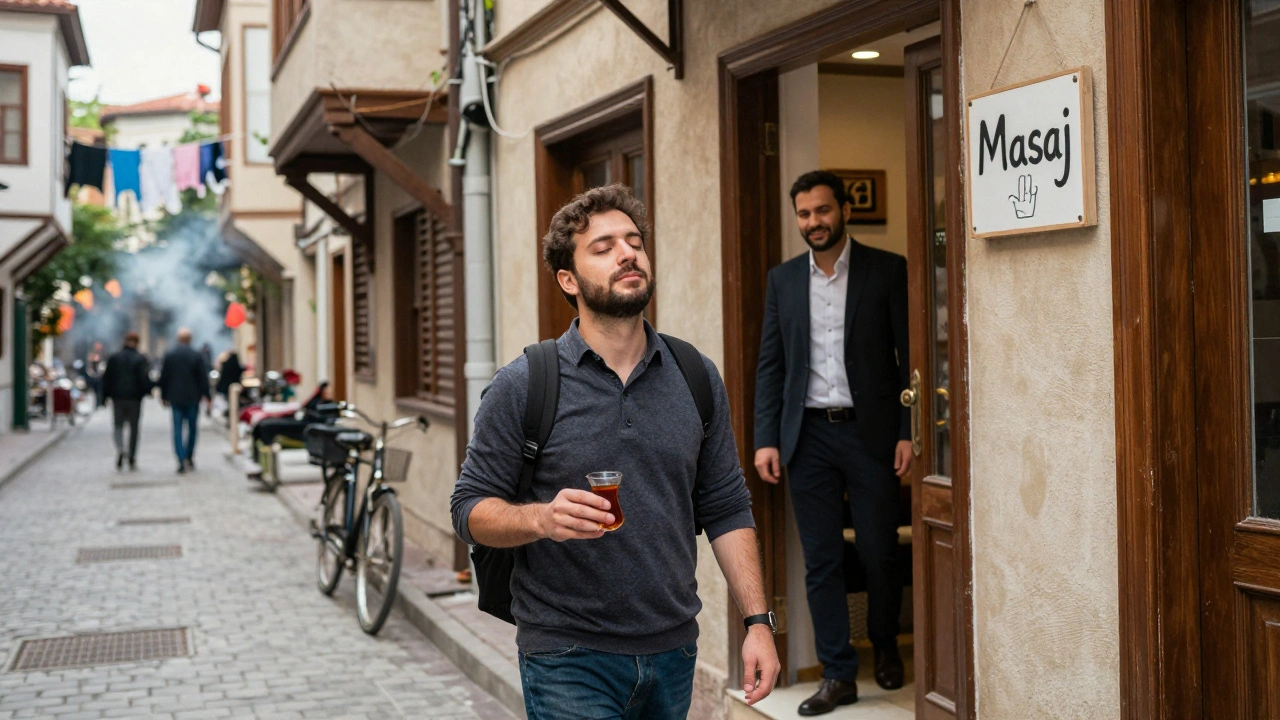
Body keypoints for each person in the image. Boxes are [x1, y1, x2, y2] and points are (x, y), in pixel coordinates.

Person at [451, 184, 781, 719]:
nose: (628, 253)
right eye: (603, 247)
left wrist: (758, 625)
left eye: (634, 242)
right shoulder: (525, 384)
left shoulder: (694, 375)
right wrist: (542, 518)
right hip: (566, 653)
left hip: (673, 651)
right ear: (568, 279)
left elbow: (725, 505)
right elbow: (468, 509)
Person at [753, 170, 912, 715]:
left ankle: (887, 643)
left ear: (843, 210)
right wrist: (765, 438)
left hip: (871, 435)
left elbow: (911, 360)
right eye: (803, 214)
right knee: (820, 559)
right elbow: (771, 365)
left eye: (821, 211)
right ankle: (839, 673)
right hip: (808, 437)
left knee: (877, 550)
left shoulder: (887, 271)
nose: (813, 222)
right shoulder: (784, 280)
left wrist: (909, 433)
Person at [158, 328, 211, 474]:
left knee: (177, 429)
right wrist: (207, 396)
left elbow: (164, 377)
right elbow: (202, 378)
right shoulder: (196, 355)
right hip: (193, 397)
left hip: (175, 397)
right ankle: (189, 455)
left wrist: (163, 396)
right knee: (192, 427)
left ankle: (180, 458)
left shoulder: (170, 355)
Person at [100, 332, 151, 470]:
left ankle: (120, 448)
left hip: (117, 398)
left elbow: (106, 379)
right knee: (134, 429)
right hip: (135, 399)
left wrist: (103, 397)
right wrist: (148, 391)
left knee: (118, 426)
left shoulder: (114, 358)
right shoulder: (140, 359)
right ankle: (132, 457)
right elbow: (144, 379)